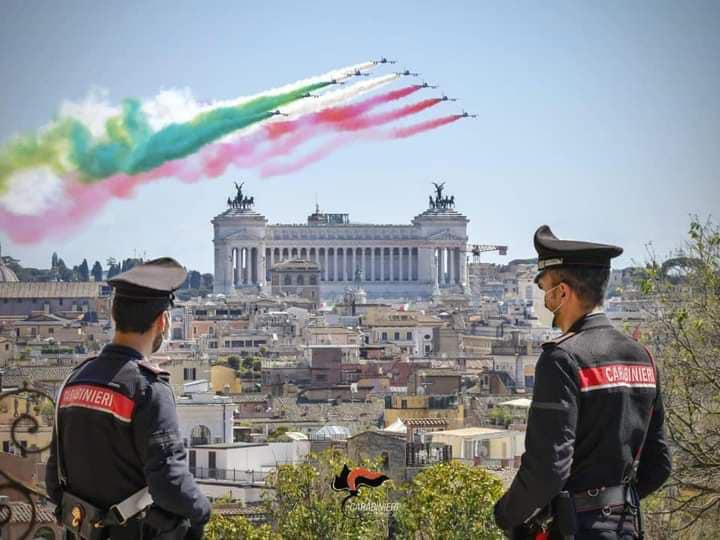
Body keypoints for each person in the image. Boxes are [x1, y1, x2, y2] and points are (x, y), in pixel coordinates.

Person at [493, 226, 671, 539]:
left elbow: (548, 469)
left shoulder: (562, 359)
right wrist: (616, 502)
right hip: (625, 528)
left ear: (562, 292)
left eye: (544, 287)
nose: (542, 298)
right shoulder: (643, 357)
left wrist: (506, 514)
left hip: (574, 529)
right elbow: (659, 465)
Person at [46, 258, 211, 539]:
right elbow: (169, 484)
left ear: (113, 315)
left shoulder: (73, 381)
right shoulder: (148, 390)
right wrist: (202, 510)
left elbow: (53, 480)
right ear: (163, 321)